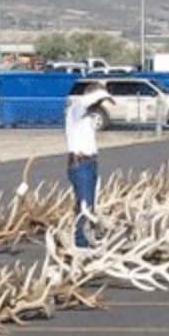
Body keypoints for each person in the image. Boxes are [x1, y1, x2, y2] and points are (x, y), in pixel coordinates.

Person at [63, 80, 111, 248]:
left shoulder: (87, 115)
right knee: (85, 207)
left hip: (88, 163)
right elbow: (85, 102)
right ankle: (81, 244)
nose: (100, 105)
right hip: (80, 164)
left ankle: (84, 239)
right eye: (98, 101)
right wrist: (101, 94)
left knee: (87, 205)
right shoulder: (76, 109)